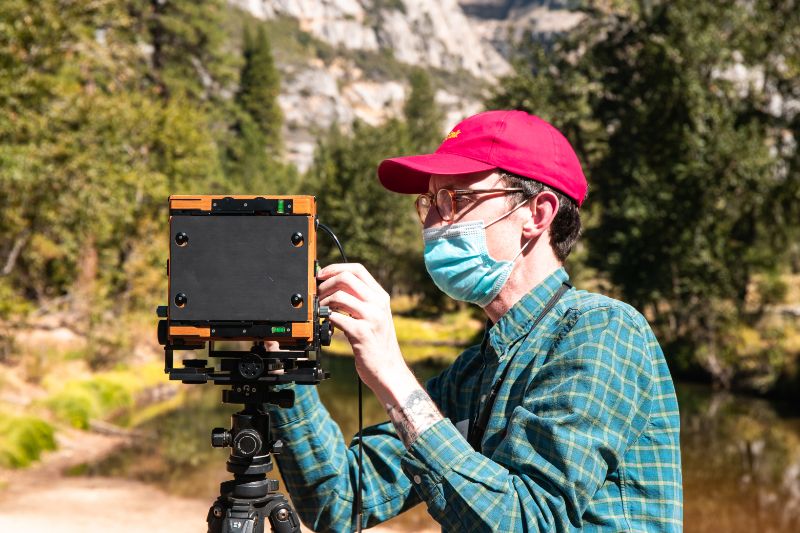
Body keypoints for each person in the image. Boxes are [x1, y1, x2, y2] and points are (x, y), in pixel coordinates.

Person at [269, 110, 682, 532]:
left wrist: (391, 372)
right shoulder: (474, 372)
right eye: (430, 202)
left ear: (537, 214)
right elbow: (338, 501)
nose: (432, 222)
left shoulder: (604, 333)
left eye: (457, 199)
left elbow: (526, 521)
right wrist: (278, 359)